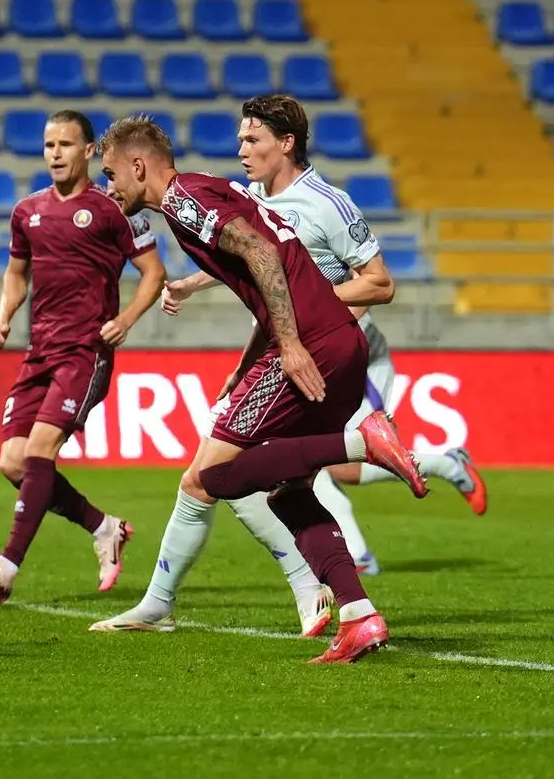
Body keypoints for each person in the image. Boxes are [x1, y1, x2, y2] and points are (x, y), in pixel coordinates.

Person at [91, 116, 426, 664]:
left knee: (214, 475)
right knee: (289, 492)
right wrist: (249, 360)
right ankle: (359, 616)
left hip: (309, 346)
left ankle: (361, 443)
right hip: (337, 340)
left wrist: (288, 347)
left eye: (110, 174)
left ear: (137, 165)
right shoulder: (210, 189)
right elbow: (264, 268)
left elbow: (264, 256)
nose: (110, 187)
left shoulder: (183, 200)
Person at [164, 96, 487, 579]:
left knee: (336, 466)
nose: (241, 150)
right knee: (289, 469)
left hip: (347, 352)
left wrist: (310, 307)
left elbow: (380, 282)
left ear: (287, 143)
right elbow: (257, 257)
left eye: (252, 139)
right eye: (240, 140)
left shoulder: (327, 204)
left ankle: (436, 468)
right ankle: (342, 580)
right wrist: (191, 284)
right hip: (292, 349)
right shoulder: (253, 197)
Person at [0, 110, 167, 603]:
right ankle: (103, 527)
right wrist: (4, 314)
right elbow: (16, 272)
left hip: (84, 352)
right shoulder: (26, 211)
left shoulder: (116, 210)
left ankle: (6, 568)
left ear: (89, 151)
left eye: (66, 145)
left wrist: (126, 319)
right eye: (49, 144)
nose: (55, 153)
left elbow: (153, 273)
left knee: (38, 452)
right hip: (39, 353)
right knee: (13, 463)